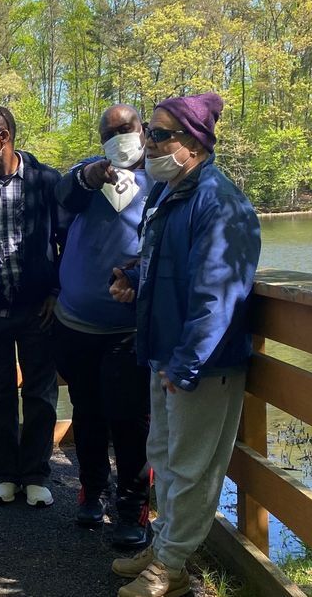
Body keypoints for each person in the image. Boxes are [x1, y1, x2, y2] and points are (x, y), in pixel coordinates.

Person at [107, 93, 261, 597]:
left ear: (193, 144)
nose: (148, 143)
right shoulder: (167, 193)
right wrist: (133, 280)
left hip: (202, 364)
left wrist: (186, 365)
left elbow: (217, 296)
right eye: (148, 133)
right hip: (166, 354)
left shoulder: (221, 203)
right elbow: (164, 266)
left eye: (159, 134)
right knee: (165, 458)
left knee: (192, 467)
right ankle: (163, 549)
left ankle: (171, 568)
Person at [53, 104, 155, 547]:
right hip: (76, 324)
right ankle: (92, 490)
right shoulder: (91, 171)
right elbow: (64, 195)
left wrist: (137, 276)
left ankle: (132, 509)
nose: (118, 139)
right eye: (108, 133)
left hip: (127, 331)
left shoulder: (163, 179)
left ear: (143, 129)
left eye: (125, 129)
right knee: (88, 413)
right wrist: (88, 176)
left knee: (131, 422)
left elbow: (171, 247)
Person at [0, 102, 63, 509]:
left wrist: (56, 291)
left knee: (40, 393)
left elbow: (65, 239)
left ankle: (35, 474)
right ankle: (5, 473)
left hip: (37, 308)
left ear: (3, 137)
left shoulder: (46, 180)